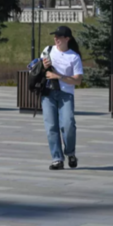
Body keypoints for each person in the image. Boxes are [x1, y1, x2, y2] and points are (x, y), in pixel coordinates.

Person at [41, 25, 84, 170]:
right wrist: (43, 65)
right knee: (51, 126)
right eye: (55, 36)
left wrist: (58, 76)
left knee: (68, 124)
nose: (56, 39)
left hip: (66, 94)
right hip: (48, 93)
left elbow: (77, 80)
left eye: (59, 37)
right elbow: (36, 70)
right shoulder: (48, 51)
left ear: (67, 39)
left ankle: (70, 153)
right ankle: (57, 159)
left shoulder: (74, 56)